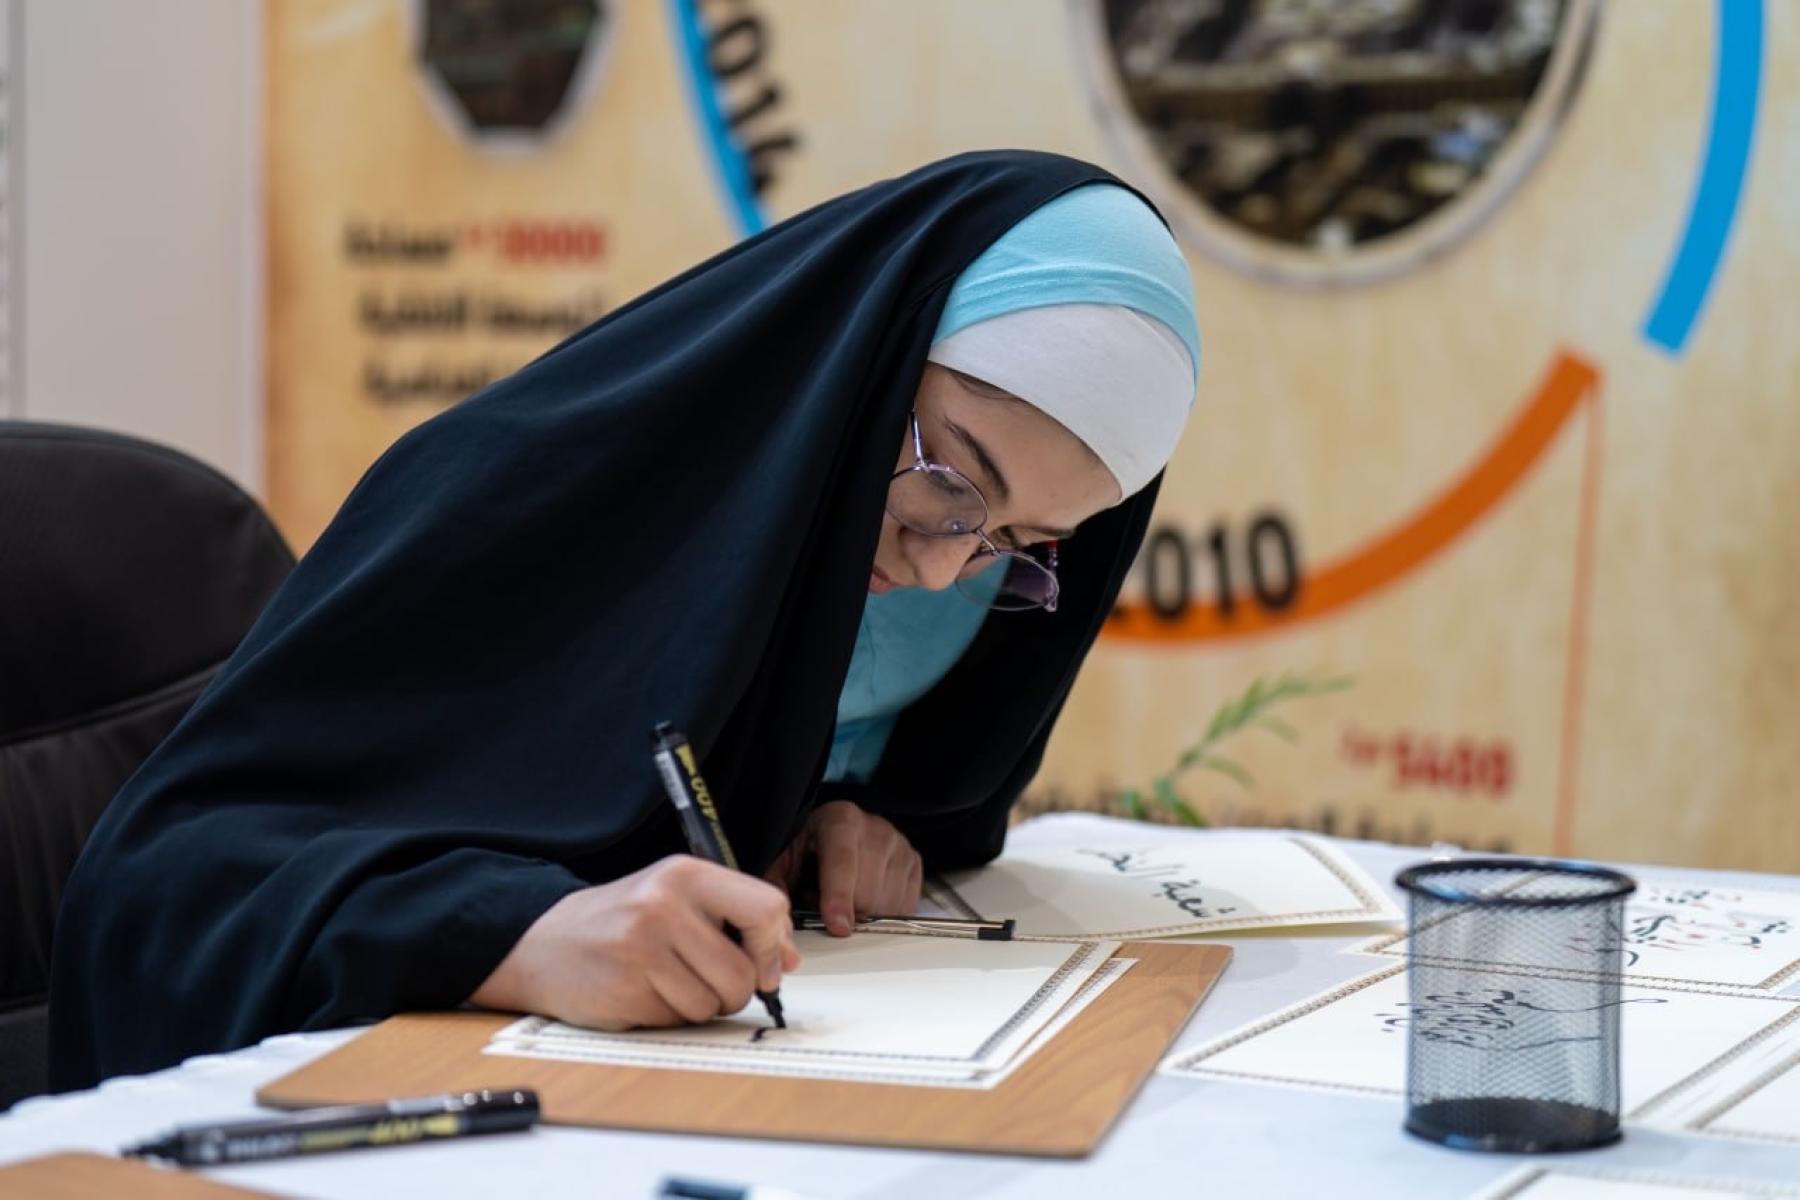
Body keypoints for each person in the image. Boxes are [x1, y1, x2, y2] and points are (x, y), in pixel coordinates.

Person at [49, 150, 1201, 1088]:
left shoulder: (938, 579)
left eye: (1017, 545)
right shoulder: (519, 491)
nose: (947, 571)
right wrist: (513, 936)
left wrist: (829, 820)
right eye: (951, 482)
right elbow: (163, 883)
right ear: (865, 363)